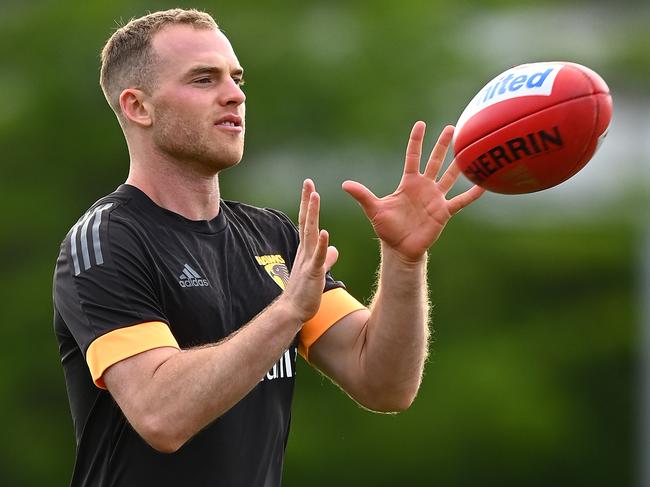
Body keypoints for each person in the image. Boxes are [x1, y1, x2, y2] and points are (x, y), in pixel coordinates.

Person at [53, 7, 485, 487]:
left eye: (237, 79)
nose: (235, 95)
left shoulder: (272, 236)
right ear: (138, 107)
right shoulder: (106, 240)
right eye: (203, 79)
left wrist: (404, 260)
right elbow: (161, 415)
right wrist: (287, 312)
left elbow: (384, 383)